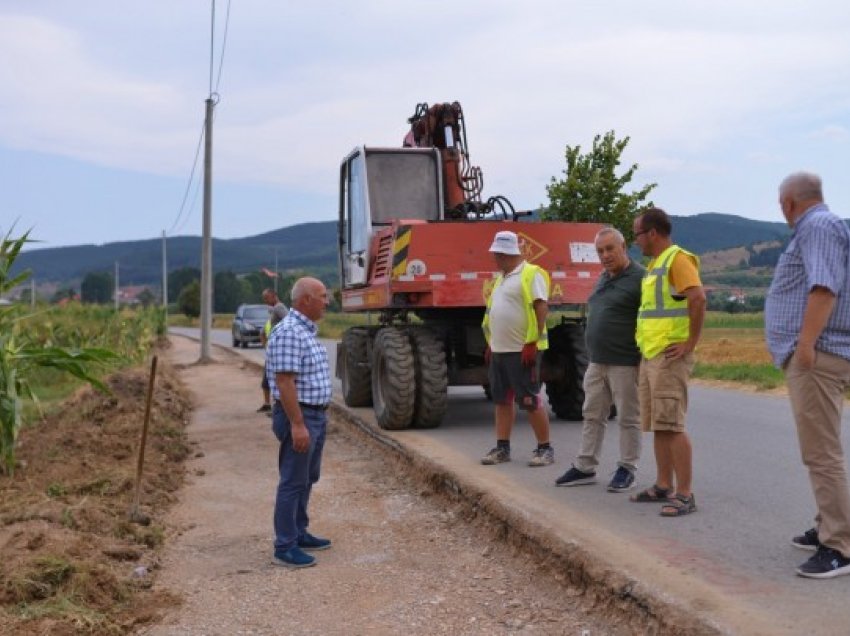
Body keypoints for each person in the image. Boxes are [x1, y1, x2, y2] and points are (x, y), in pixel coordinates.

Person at [765, 171, 850, 579]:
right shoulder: (822, 227)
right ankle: (827, 528)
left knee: (821, 452)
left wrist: (804, 346)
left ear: (788, 203)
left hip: (817, 356)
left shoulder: (817, 226)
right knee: (820, 450)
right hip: (821, 352)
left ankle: (840, 547)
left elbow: (823, 288)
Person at [629, 208, 705, 516]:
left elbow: (698, 297)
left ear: (652, 233)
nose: (636, 242)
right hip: (652, 354)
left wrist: (690, 344)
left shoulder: (676, 259)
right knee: (659, 423)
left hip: (670, 356)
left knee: (673, 424)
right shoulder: (655, 265)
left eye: (636, 234)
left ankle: (685, 494)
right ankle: (663, 484)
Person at [555, 227, 644, 491]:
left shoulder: (640, 278)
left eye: (609, 249)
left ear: (623, 246)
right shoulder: (603, 278)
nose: (605, 255)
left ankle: (627, 468)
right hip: (597, 361)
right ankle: (585, 466)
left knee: (629, 417)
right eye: (600, 251)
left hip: (626, 362)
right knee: (592, 414)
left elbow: (648, 318)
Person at [266, 277, 332, 568]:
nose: (327, 301)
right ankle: (285, 546)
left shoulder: (305, 332)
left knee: (307, 477)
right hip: (300, 415)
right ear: (305, 300)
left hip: (313, 415)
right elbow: (284, 382)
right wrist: (297, 424)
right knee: (293, 481)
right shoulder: (291, 332)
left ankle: (298, 531)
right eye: (322, 295)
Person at [480, 230, 554, 467]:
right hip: (501, 350)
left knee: (530, 399)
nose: (494, 257)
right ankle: (502, 447)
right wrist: (492, 343)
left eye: (496, 253)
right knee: (502, 399)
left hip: (521, 350)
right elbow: (494, 314)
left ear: (505, 253)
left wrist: (531, 342)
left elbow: (541, 308)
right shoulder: (501, 278)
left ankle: (545, 448)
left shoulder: (531, 274)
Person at [257, 288, 288, 415]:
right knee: (267, 379)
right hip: (272, 350)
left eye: (267, 298)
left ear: (274, 296)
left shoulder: (279, 308)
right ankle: (267, 404)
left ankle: (277, 407)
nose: (265, 301)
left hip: (277, 351)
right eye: (264, 298)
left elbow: (288, 321)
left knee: (274, 379)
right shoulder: (274, 310)